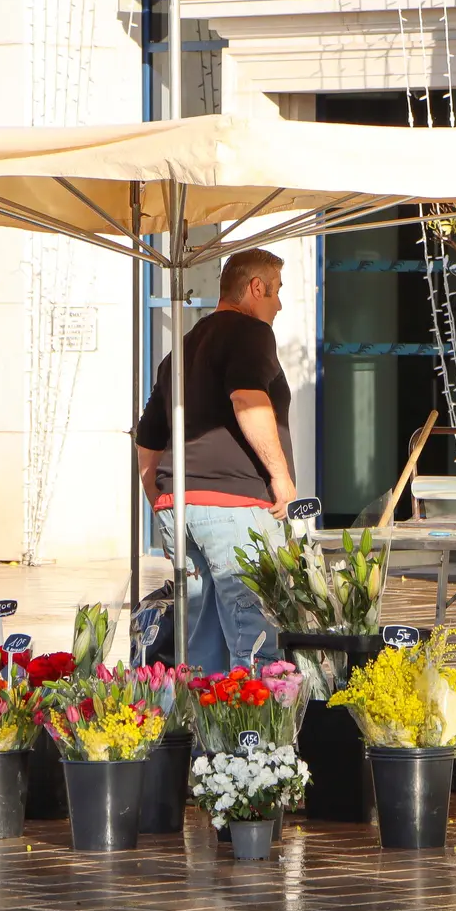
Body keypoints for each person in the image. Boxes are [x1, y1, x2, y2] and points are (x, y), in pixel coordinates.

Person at [135, 248, 294, 676]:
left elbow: (148, 441)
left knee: (203, 644)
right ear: (254, 288)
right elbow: (247, 398)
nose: (278, 304)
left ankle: (206, 739)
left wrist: (162, 500)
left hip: (181, 509)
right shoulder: (250, 333)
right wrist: (280, 478)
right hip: (234, 508)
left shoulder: (181, 351)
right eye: (276, 291)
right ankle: (255, 741)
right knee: (256, 637)